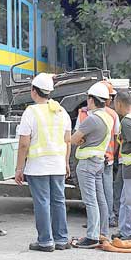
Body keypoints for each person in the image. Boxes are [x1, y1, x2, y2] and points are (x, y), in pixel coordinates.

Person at [15, 73, 72, 252]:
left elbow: (24, 143)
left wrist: (19, 168)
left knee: (42, 202)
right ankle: (62, 239)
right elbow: (67, 140)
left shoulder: (30, 112)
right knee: (58, 201)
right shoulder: (61, 112)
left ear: (33, 91)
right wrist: (66, 163)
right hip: (58, 164)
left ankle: (46, 241)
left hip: (38, 166)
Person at [71, 82, 114, 248]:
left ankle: (92, 237)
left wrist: (79, 139)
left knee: (90, 201)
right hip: (98, 162)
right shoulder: (108, 117)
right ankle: (103, 233)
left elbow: (74, 139)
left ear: (91, 99)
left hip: (87, 164)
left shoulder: (92, 119)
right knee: (100, 199)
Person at [114, 90, 131, 240]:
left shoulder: (126, 121)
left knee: (127, 201)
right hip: (127, 168)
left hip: (129, 168)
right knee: (125, 200)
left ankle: (127, 233)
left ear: (119, 103)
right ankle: (124, 231)